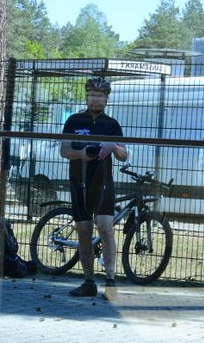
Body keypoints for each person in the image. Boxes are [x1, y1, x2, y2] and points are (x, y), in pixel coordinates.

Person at [60, 77, 127, 298]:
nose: (95, 99)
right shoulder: (74, 120)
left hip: (103, 182)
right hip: (78, 181)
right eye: (91, 94)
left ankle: (110, 282)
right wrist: (82, 154)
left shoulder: (112, 124)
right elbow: (64, 150)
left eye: (99, 95)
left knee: (106, 228)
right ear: (86, 96)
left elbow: (124, 155)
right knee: (84, 230)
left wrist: (112, 146)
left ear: (106, 99)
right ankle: (88, 282)